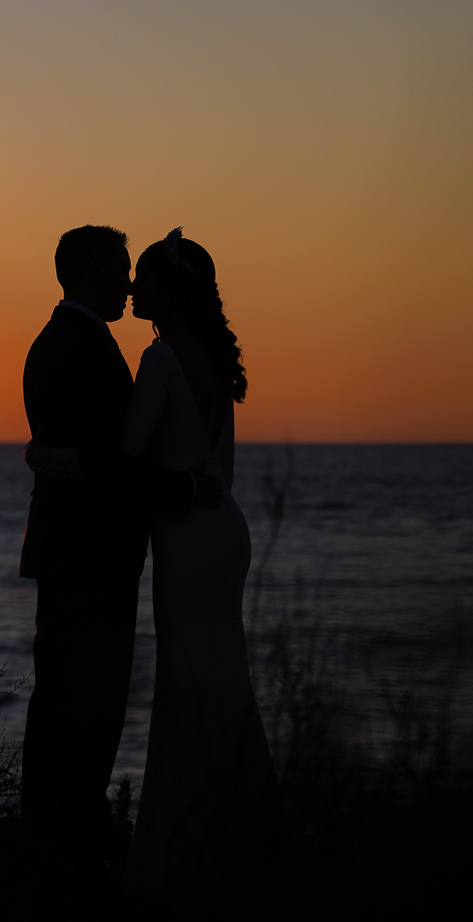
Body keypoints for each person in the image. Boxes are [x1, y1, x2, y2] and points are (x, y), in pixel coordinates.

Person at [17, 225, 215, 868]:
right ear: (97, 268)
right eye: (125, 269)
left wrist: (45, 457)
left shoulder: (54, 341)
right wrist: (186, 489)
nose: (131, 285)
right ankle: (72, 852)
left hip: (71, 555)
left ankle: (53, 842)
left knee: (62, 707)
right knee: (88, 711)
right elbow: (108, 465)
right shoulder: (82, 347)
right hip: (92, 561)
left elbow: (81, 455)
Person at [118, 228, 280, 902]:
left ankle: (178, 857)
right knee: (222, 677)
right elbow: (225, 472)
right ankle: (244, 831)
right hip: (226, 531)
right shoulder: (214, 359)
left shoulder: (159, 361)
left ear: (170, 291)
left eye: (144, 278)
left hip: (187, 539)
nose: (133, 287)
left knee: (185, 684)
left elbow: (126, 460)